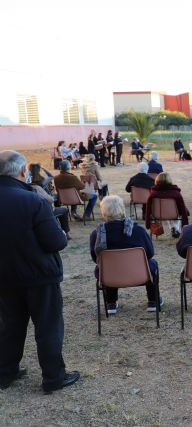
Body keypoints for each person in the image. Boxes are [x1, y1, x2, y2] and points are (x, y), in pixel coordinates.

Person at [0, 150, 80, 393]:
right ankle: (54, 377)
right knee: (47, 326)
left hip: (4, 276)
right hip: (39, 276)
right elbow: (56, 242)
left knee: (9, 325)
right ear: (23, 171)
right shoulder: (33, 200)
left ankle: (5, 372)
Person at [90, 195, 163, 315]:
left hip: (109, 276)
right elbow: (150, 253)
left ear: (103, 212)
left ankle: (110, 303)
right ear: (122, 209)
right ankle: (153, 301)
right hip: (139, 274)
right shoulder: (138, 230)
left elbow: (95, 258)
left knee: (108, 265)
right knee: (152, 264)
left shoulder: (96, 234)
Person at [28, 163, 71, 239]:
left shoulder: (26, 183)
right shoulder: (42, 182)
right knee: (64, 210)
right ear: (38, 170)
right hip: (45, 209)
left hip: (32, 210)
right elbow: (51, 176)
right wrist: (44, 168)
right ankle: (66, 233)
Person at [145, 172, 190, 238]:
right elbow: (182, 208)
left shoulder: (153, 194)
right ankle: (175, 228)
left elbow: (148, 209)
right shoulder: (176, 193)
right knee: (178, 210)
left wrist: (147, 224)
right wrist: (185, 224)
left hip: (158, 214)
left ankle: (174, 229)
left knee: (172, 210)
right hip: (173, 214)